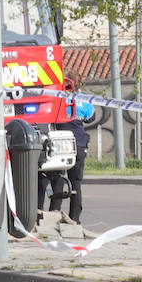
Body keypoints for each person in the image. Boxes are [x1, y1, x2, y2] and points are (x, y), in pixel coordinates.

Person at [49, 93, 93, 225]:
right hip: (79, 143)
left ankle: (54, 213)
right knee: (76, 183)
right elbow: (90, 118)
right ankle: (74, 217)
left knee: (58, 179)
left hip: (60, 143)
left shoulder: (57, 97)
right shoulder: (84, 99)